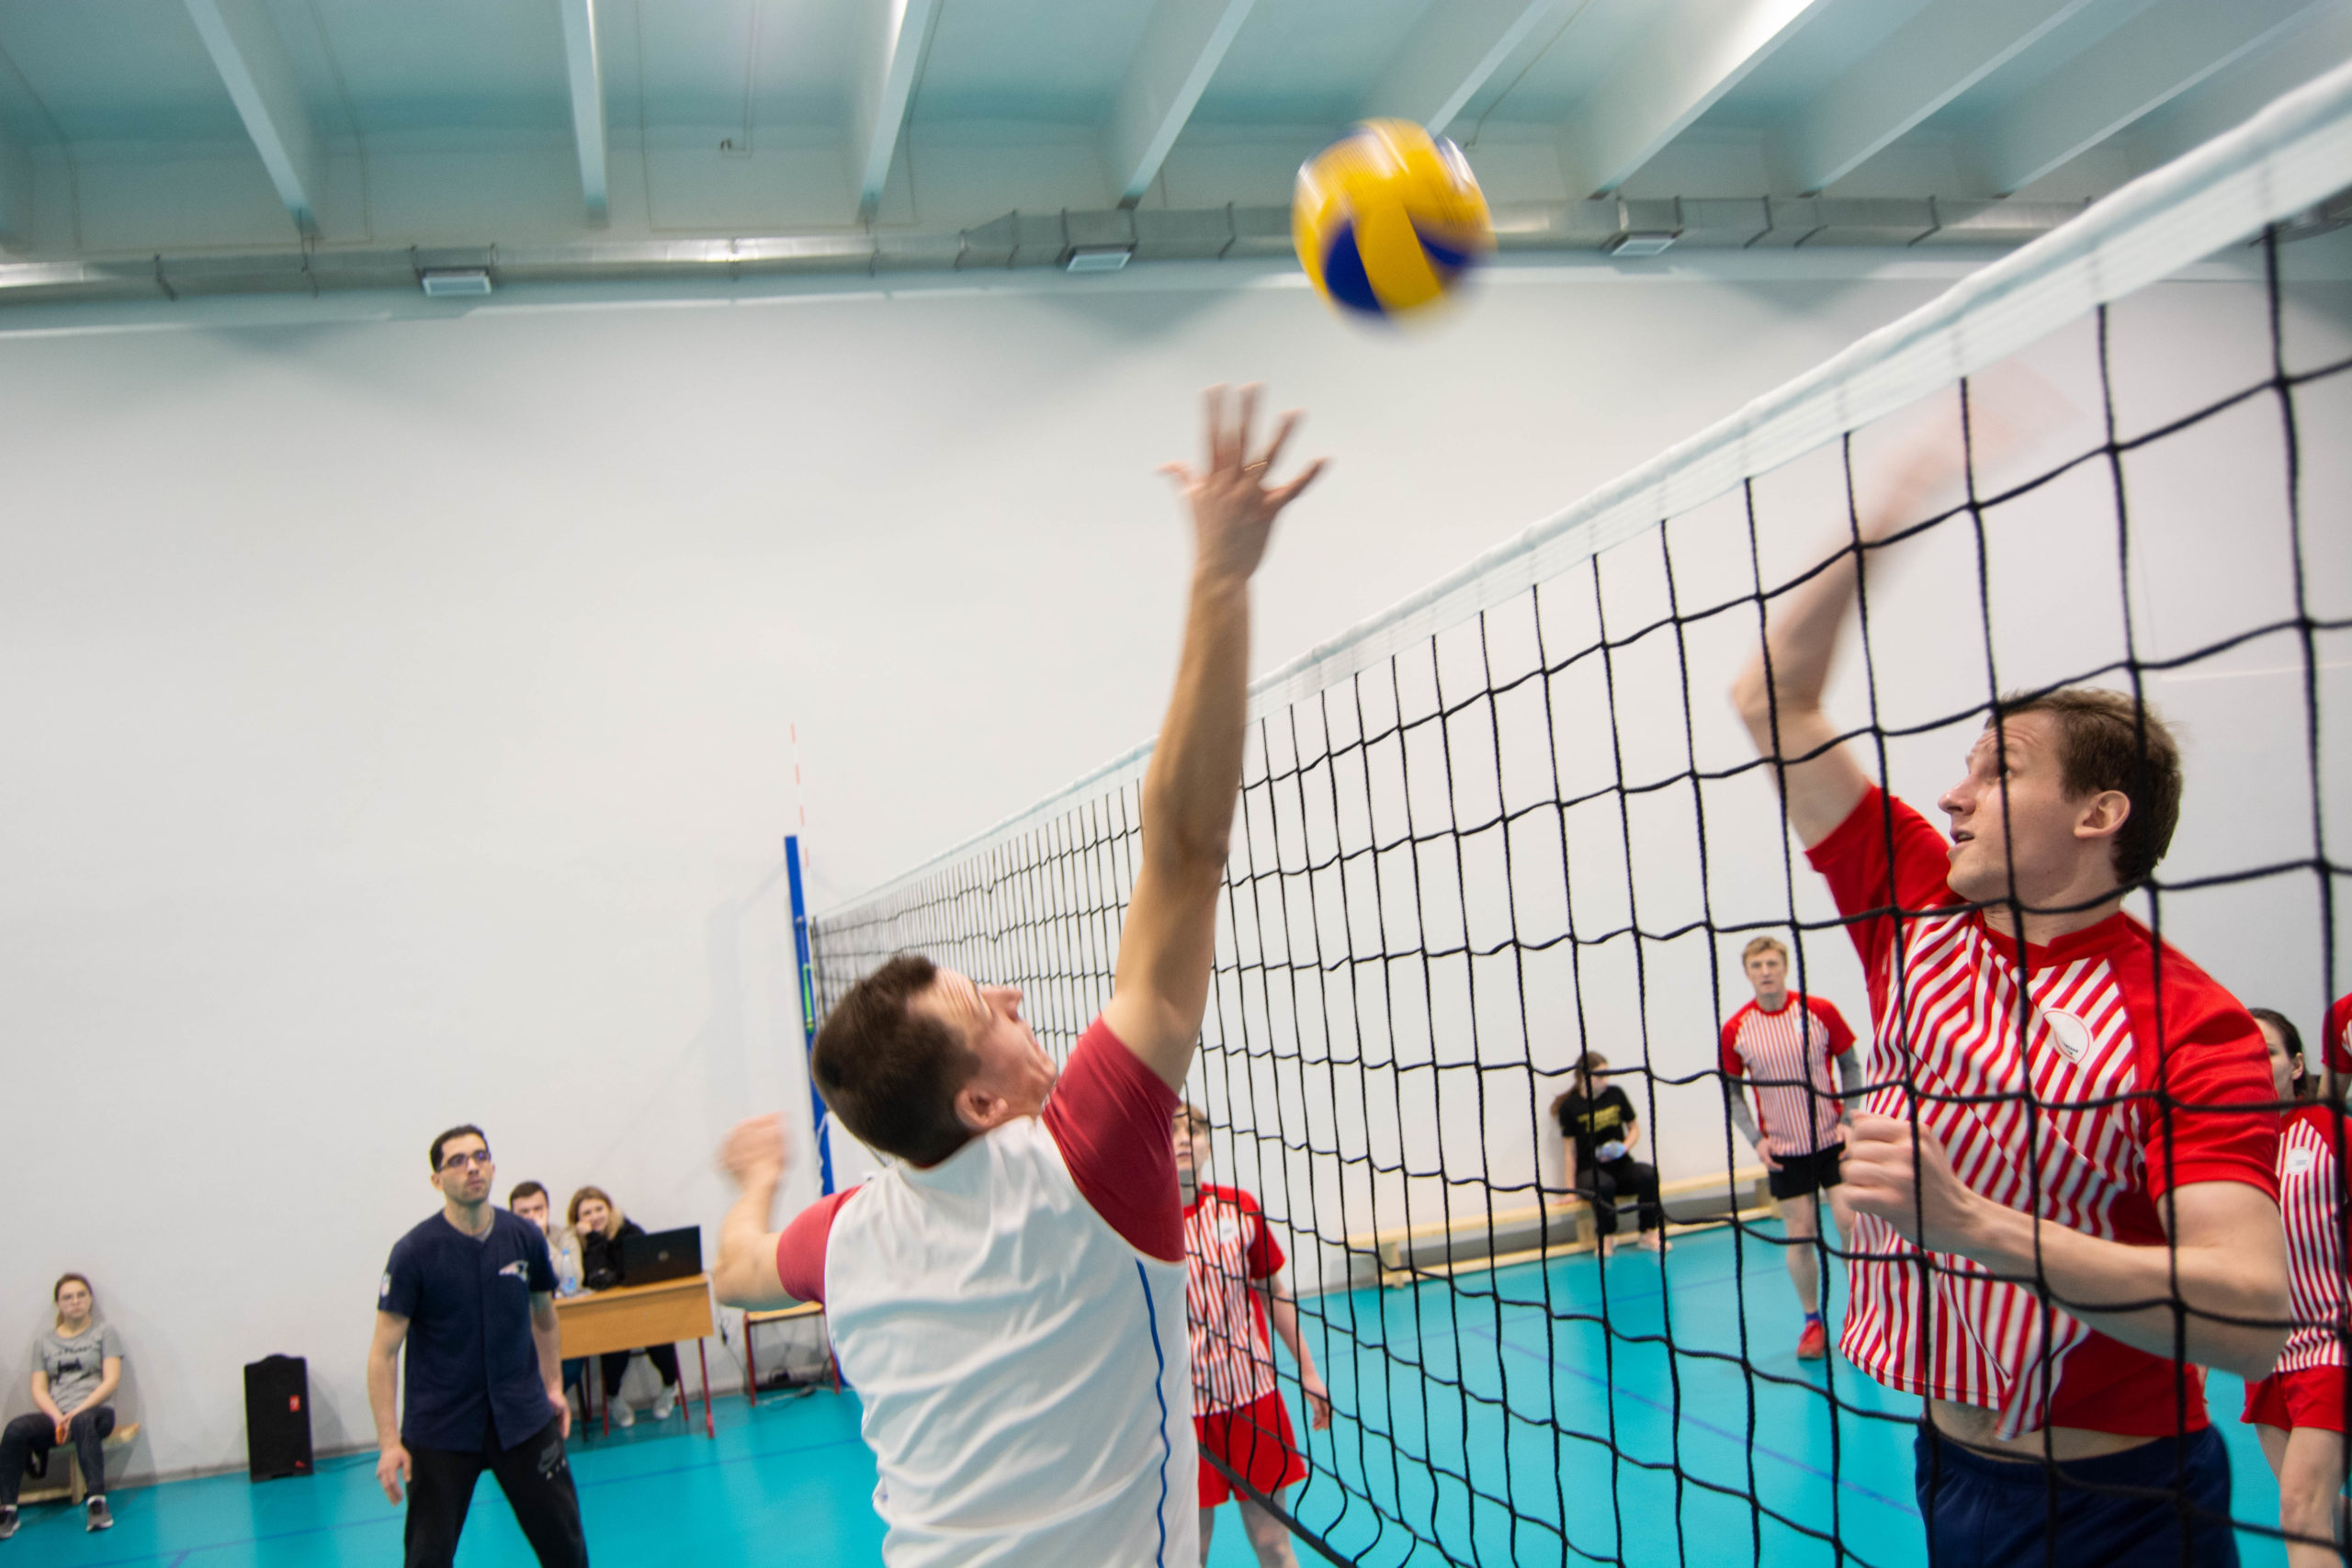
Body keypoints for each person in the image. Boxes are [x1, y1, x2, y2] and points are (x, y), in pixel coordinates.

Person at [708, 386, 1324, 1564]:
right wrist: (1220, 577)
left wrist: (758, 1179)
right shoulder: (1088, 1161)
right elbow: (1185, 849)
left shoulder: (848, 1236)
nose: (1006, 995)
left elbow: (737, 1273)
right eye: (975, 1007)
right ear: (982, 1103)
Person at [1731, 411, 2289, 1567]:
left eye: (1998, 771)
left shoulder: (2189, 1024)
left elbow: (2246, 1317)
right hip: (1948, 1471)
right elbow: (1771, 698)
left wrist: (1973, 1226)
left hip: (2121, 1503)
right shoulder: (1914, 899)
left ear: (2098, 815)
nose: (1953, 794)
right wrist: (1893, 502)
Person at [368, 1125, 586, 1568]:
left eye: (480, 1156)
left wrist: (553, 1386)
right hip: (441, 1429)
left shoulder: (524, 1237)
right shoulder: (413, 1253)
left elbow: (544, 1316)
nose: (472, 1167)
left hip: (523, 1418)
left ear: (492, 1167)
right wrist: (389, 1442)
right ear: (437, 1180)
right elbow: (383, 1353)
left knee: (566, 1548)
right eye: (457, 1161)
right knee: (427, 1558)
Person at [1173, 1102, 1332, 1566]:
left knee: (1272, 1544)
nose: (1184, 1139)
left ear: (1208, 1143)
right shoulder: (1144, 1224)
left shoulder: (1239, 1208)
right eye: (1171, 1130)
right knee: (1191, 1552)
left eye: (1194, 1130)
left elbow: (1273, 1292)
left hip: (1252, 1399)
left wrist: (1309, 1372)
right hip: (1185, 1413)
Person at [2239, 1009, 2349, 1568]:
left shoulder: (2331, 1131)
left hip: (2332, 1343)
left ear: (2298, 1065)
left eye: (2268, 1051)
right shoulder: (2229, 1149)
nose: (2254, 1063)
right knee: (2319, 1511)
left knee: (2301, 1513)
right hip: (2263, 1356)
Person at [1719, 934, 1863, 1360]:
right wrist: (1756, 1140)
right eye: (1757, 966)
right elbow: (1732, 1092)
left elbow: (1851, 1065)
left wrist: (1849, 1120)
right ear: (1747, 973)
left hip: (1832, 1143)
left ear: (1784, 967)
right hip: (1784, 1152)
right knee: (1800, 1236)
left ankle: (1864, 1315)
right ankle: (1812, 1322)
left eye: (1772, 964)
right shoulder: (1737, 1030)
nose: (1765, 972)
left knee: (1850, 1223)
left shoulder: (1819, 1012)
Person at [0, 1273, 123, 1538]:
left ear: (90, 1299)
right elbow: (38, 1388)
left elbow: (111, 1380)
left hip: (96, 1413)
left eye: (81, 1295)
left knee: (82, 1421)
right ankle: (7, 1510)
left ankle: (97, 1503)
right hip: (58, 1416)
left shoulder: (104, 1332)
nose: (75, 1301)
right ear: (58, 1304)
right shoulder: (44, 1341)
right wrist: (58, 1417)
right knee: (15, 1429)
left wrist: (76, 1412)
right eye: (68, 1297)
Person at [566, 1187, 682, 1427]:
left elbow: (640, 1267)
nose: (595, 1216)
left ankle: (669, 1386)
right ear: (577, 1220)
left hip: (643, 1309)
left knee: (659, 1339)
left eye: (599, 1209)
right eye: (587, 1213)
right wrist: (594, 1240)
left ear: (609, 1209)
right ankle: (614, 1397)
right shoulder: (578, 1245)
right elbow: (597, 1279)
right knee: (614, 1347)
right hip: (607, 1316)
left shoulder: (629, 1232)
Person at [1551, 1053, 1666, 1256]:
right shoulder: (1570, 1107)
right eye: (1600, 1076)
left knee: (1649, 1174)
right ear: (1584, 1077)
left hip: (1621, 1166)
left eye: (1607, 1074)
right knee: (1604, 1185)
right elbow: (1570, 1152)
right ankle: (1606, 1237)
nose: (1605, 1080)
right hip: (1590, 1172)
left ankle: (1648, 1233)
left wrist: (1623, 1147)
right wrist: (1570, 1191)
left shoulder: (1615, 1094)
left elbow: (1634, 1128)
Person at [510, 1182, 589, 1416]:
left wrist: (540, 1240)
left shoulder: (563, 1237)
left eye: (538, 1209)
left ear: (547, 1209)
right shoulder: (506, 1242)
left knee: (570, 1367)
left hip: (559, 1327)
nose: (531, 1216)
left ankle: (547, 1414)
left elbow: (572, 1282)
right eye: (524, 1212)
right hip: (520, 1329)